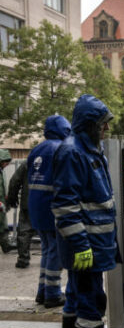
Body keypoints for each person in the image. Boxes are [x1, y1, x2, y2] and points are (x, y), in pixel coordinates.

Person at [52, 94, 124, 328]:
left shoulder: (88, 151)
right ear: (88, 125)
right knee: (91, 301)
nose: (105, 130)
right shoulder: (74, 153)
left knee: (76, 298)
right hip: (87, 247)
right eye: (102, 124)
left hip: (92, 244)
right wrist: (81, 245)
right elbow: (65, 206)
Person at [28, 115, 71, 308]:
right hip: (52, 208)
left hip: (36, 208)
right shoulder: (60, 149)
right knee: (55, 251)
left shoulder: (36, 150)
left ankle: (42, 291)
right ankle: (53, 294)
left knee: (47, 250)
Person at [6, 161, 36, 268]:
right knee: (52, 231)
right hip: (48, 203)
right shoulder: (55, 161)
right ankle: (54, 260)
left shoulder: (27, 163)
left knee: (24, 231)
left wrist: (12, 199)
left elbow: (14, 181)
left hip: (28, 203)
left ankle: (23, 259)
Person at [0, 149, 17, 254]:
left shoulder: (1, 171)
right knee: (2, 225)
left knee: (3, 225)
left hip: (1, 202)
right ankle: (6, 245)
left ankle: (6, 245)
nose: (7, 164)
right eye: (5, 161)